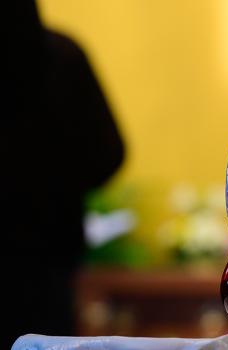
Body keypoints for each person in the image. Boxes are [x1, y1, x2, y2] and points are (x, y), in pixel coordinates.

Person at [2, 1, 124, 348]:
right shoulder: (62, 56)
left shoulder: (64, 56)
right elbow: (108, 154)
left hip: (47, 257)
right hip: (47, 256)